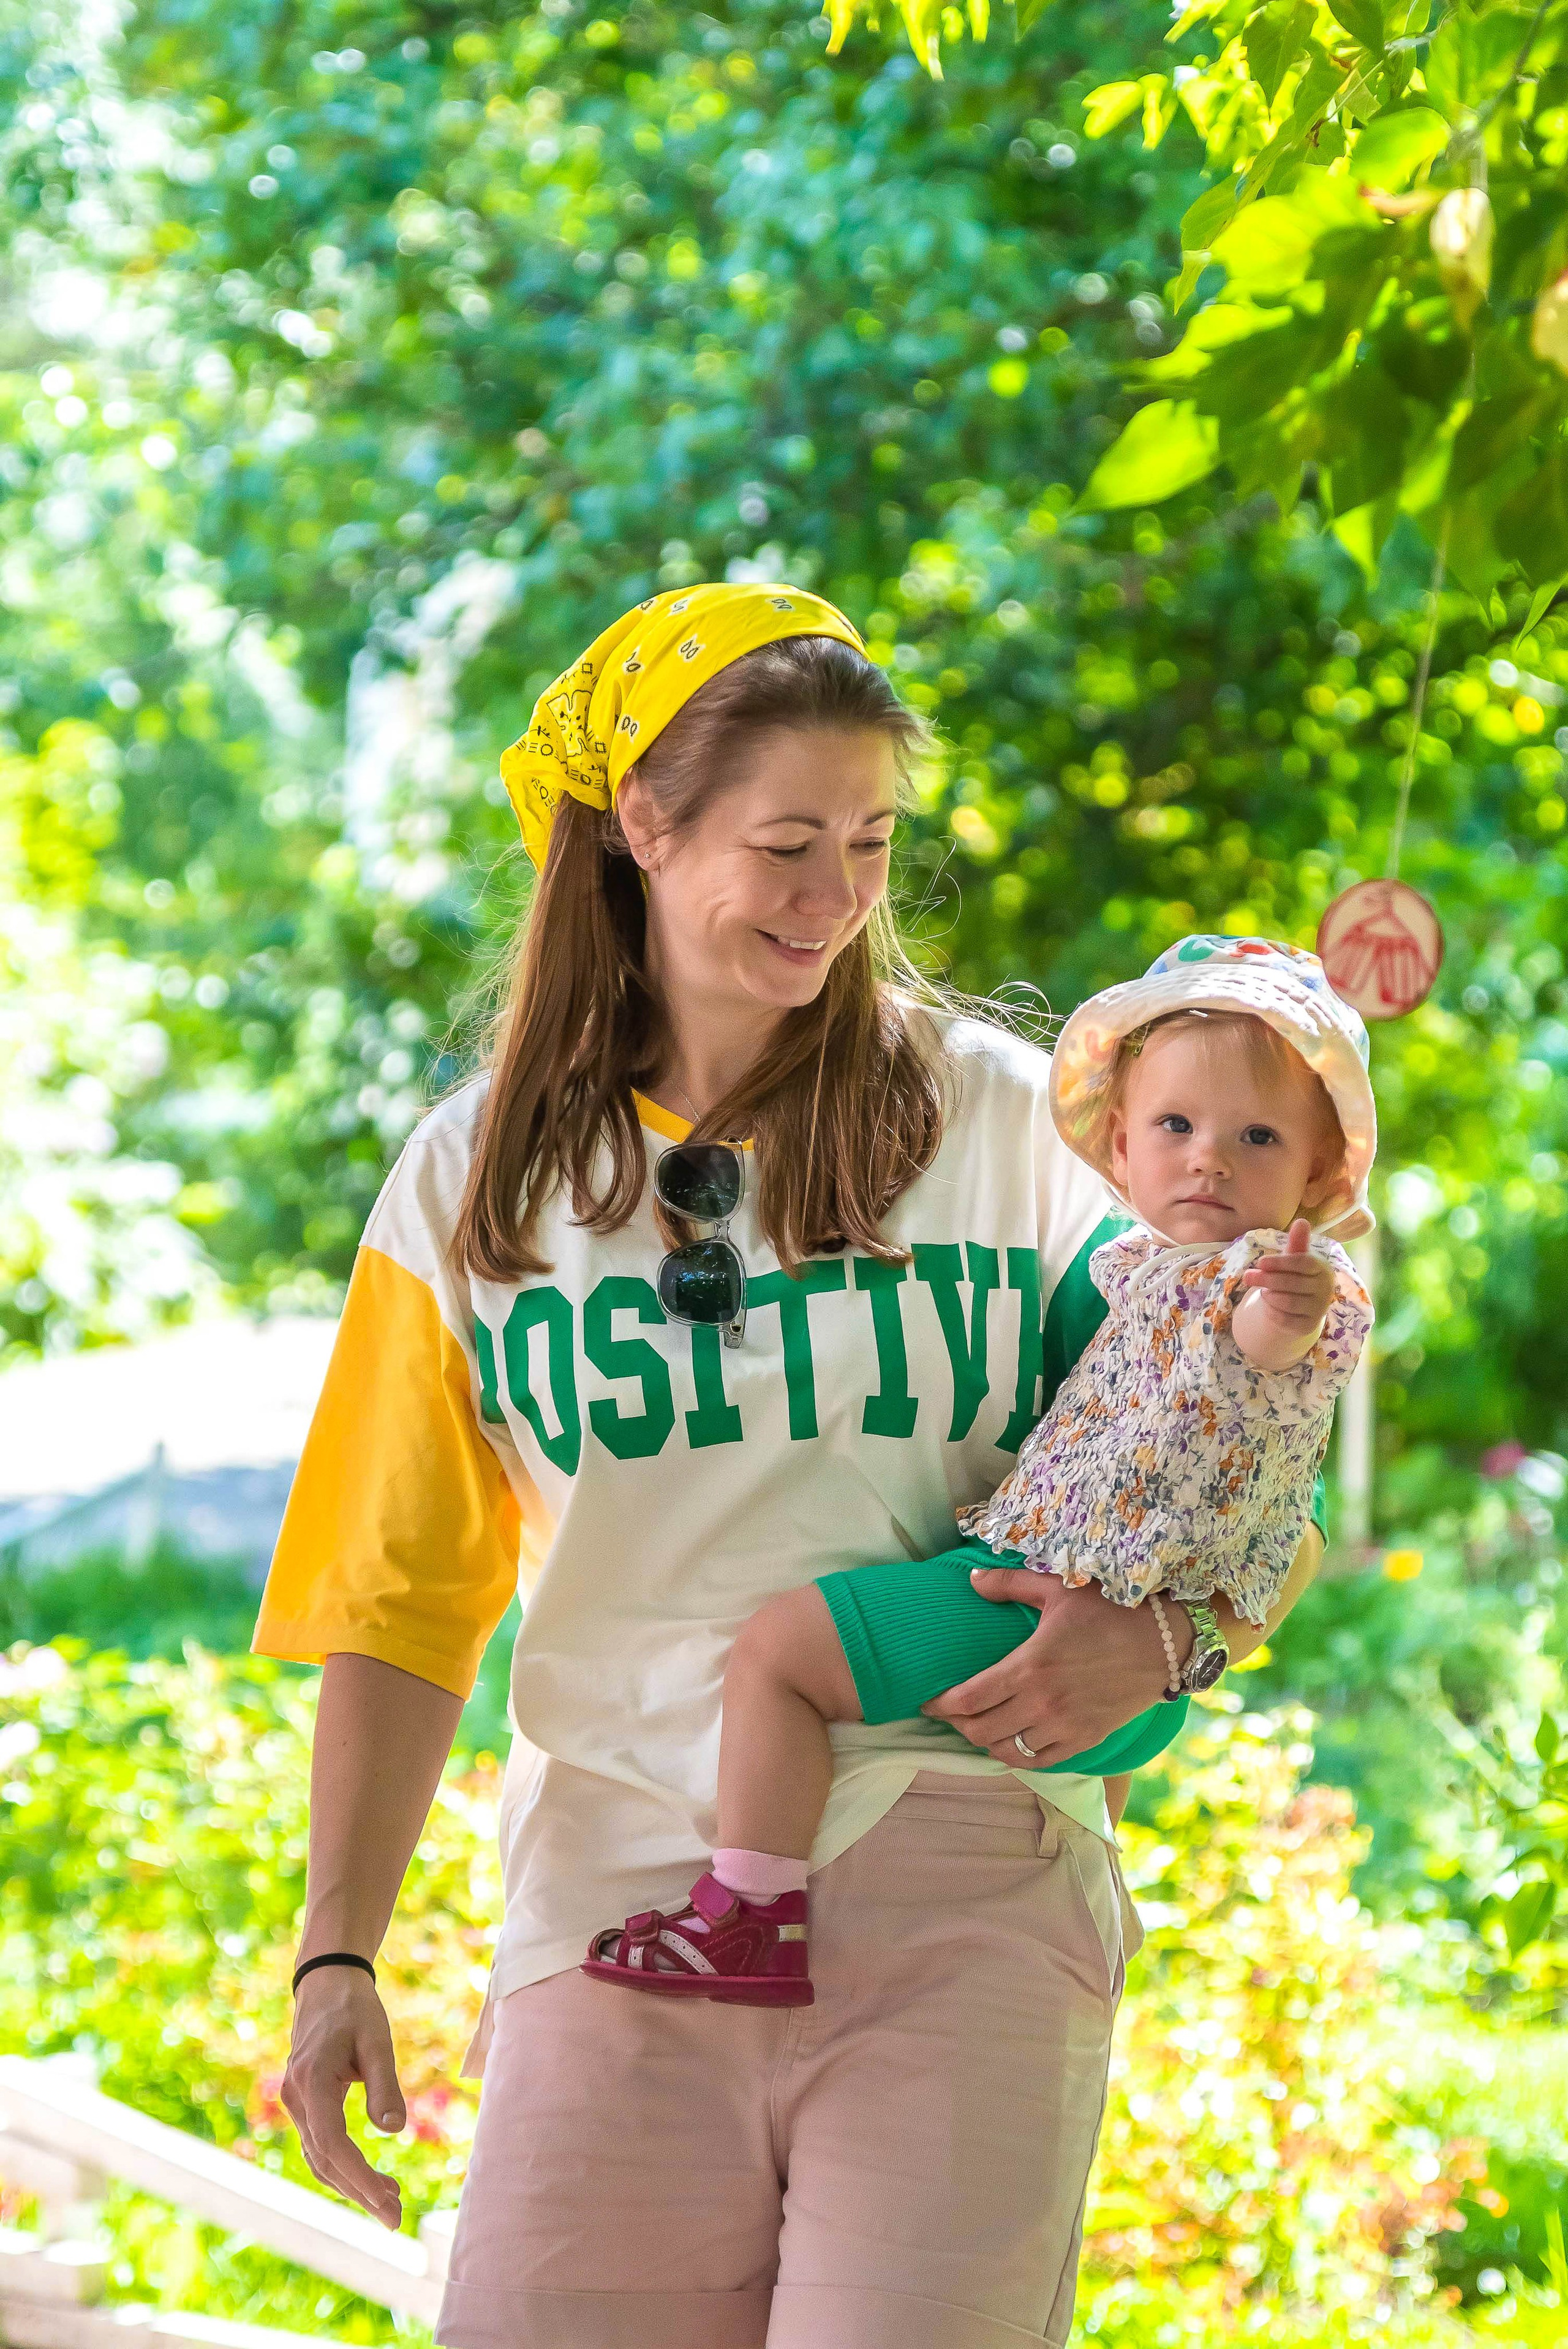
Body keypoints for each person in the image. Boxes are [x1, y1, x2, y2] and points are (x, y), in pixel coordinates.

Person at [255, 584, 1333, 2349]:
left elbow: (1240, 1452)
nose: (836, 895)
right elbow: (396, 1608)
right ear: (644, 825)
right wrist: (334, 1956)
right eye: (786, 845)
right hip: (618, 1907)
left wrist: (1173, 1641)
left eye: (871, 842)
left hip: (967, 1871)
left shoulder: (1020, 1127)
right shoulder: (469, 1187)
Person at [581, 936, 1375, 2007]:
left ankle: (750, 1910)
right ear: (1123, 1143)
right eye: (1176, 1127)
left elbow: (1264, 1349)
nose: (1210, 1161)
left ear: (1318, 1174)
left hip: (1072, 1597)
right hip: (1099, 1608)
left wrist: (1285, 1311)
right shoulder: (1137, 1267)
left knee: (779, 1653)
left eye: (1258, 1136)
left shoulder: (1264, 1278)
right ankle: (1101, 1881)